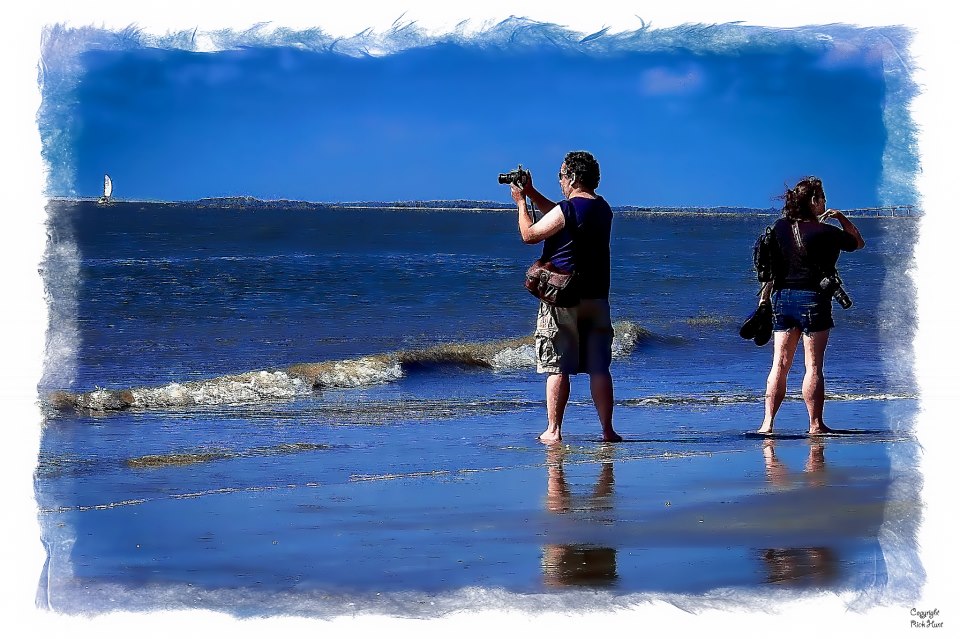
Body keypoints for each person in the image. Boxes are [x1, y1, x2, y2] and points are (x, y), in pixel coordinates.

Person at [508, 150, 621, 443]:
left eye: (561, 175)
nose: (559, 181)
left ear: (572, 178)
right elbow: (560, 213)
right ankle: (607, 430)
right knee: (599, 367)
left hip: (563, 295)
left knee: (558, 366)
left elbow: (530, 234)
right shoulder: (603, 208)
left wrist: (521, 203)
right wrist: (532, 192)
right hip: (597, 296)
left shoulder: (570, 209)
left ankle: (553, 430)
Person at [757, 176, 865, 435]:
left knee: (779, 365)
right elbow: (858, 243)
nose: (825, 201)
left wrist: (763, 301)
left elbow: (769, 269)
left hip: (782, 299)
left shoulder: (779, 228)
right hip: (813, 300)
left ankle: (767, 424)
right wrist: (840, 217)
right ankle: (815, 425)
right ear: (815, 202)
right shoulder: (826, 232)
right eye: (823, 197)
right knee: (813, 366)